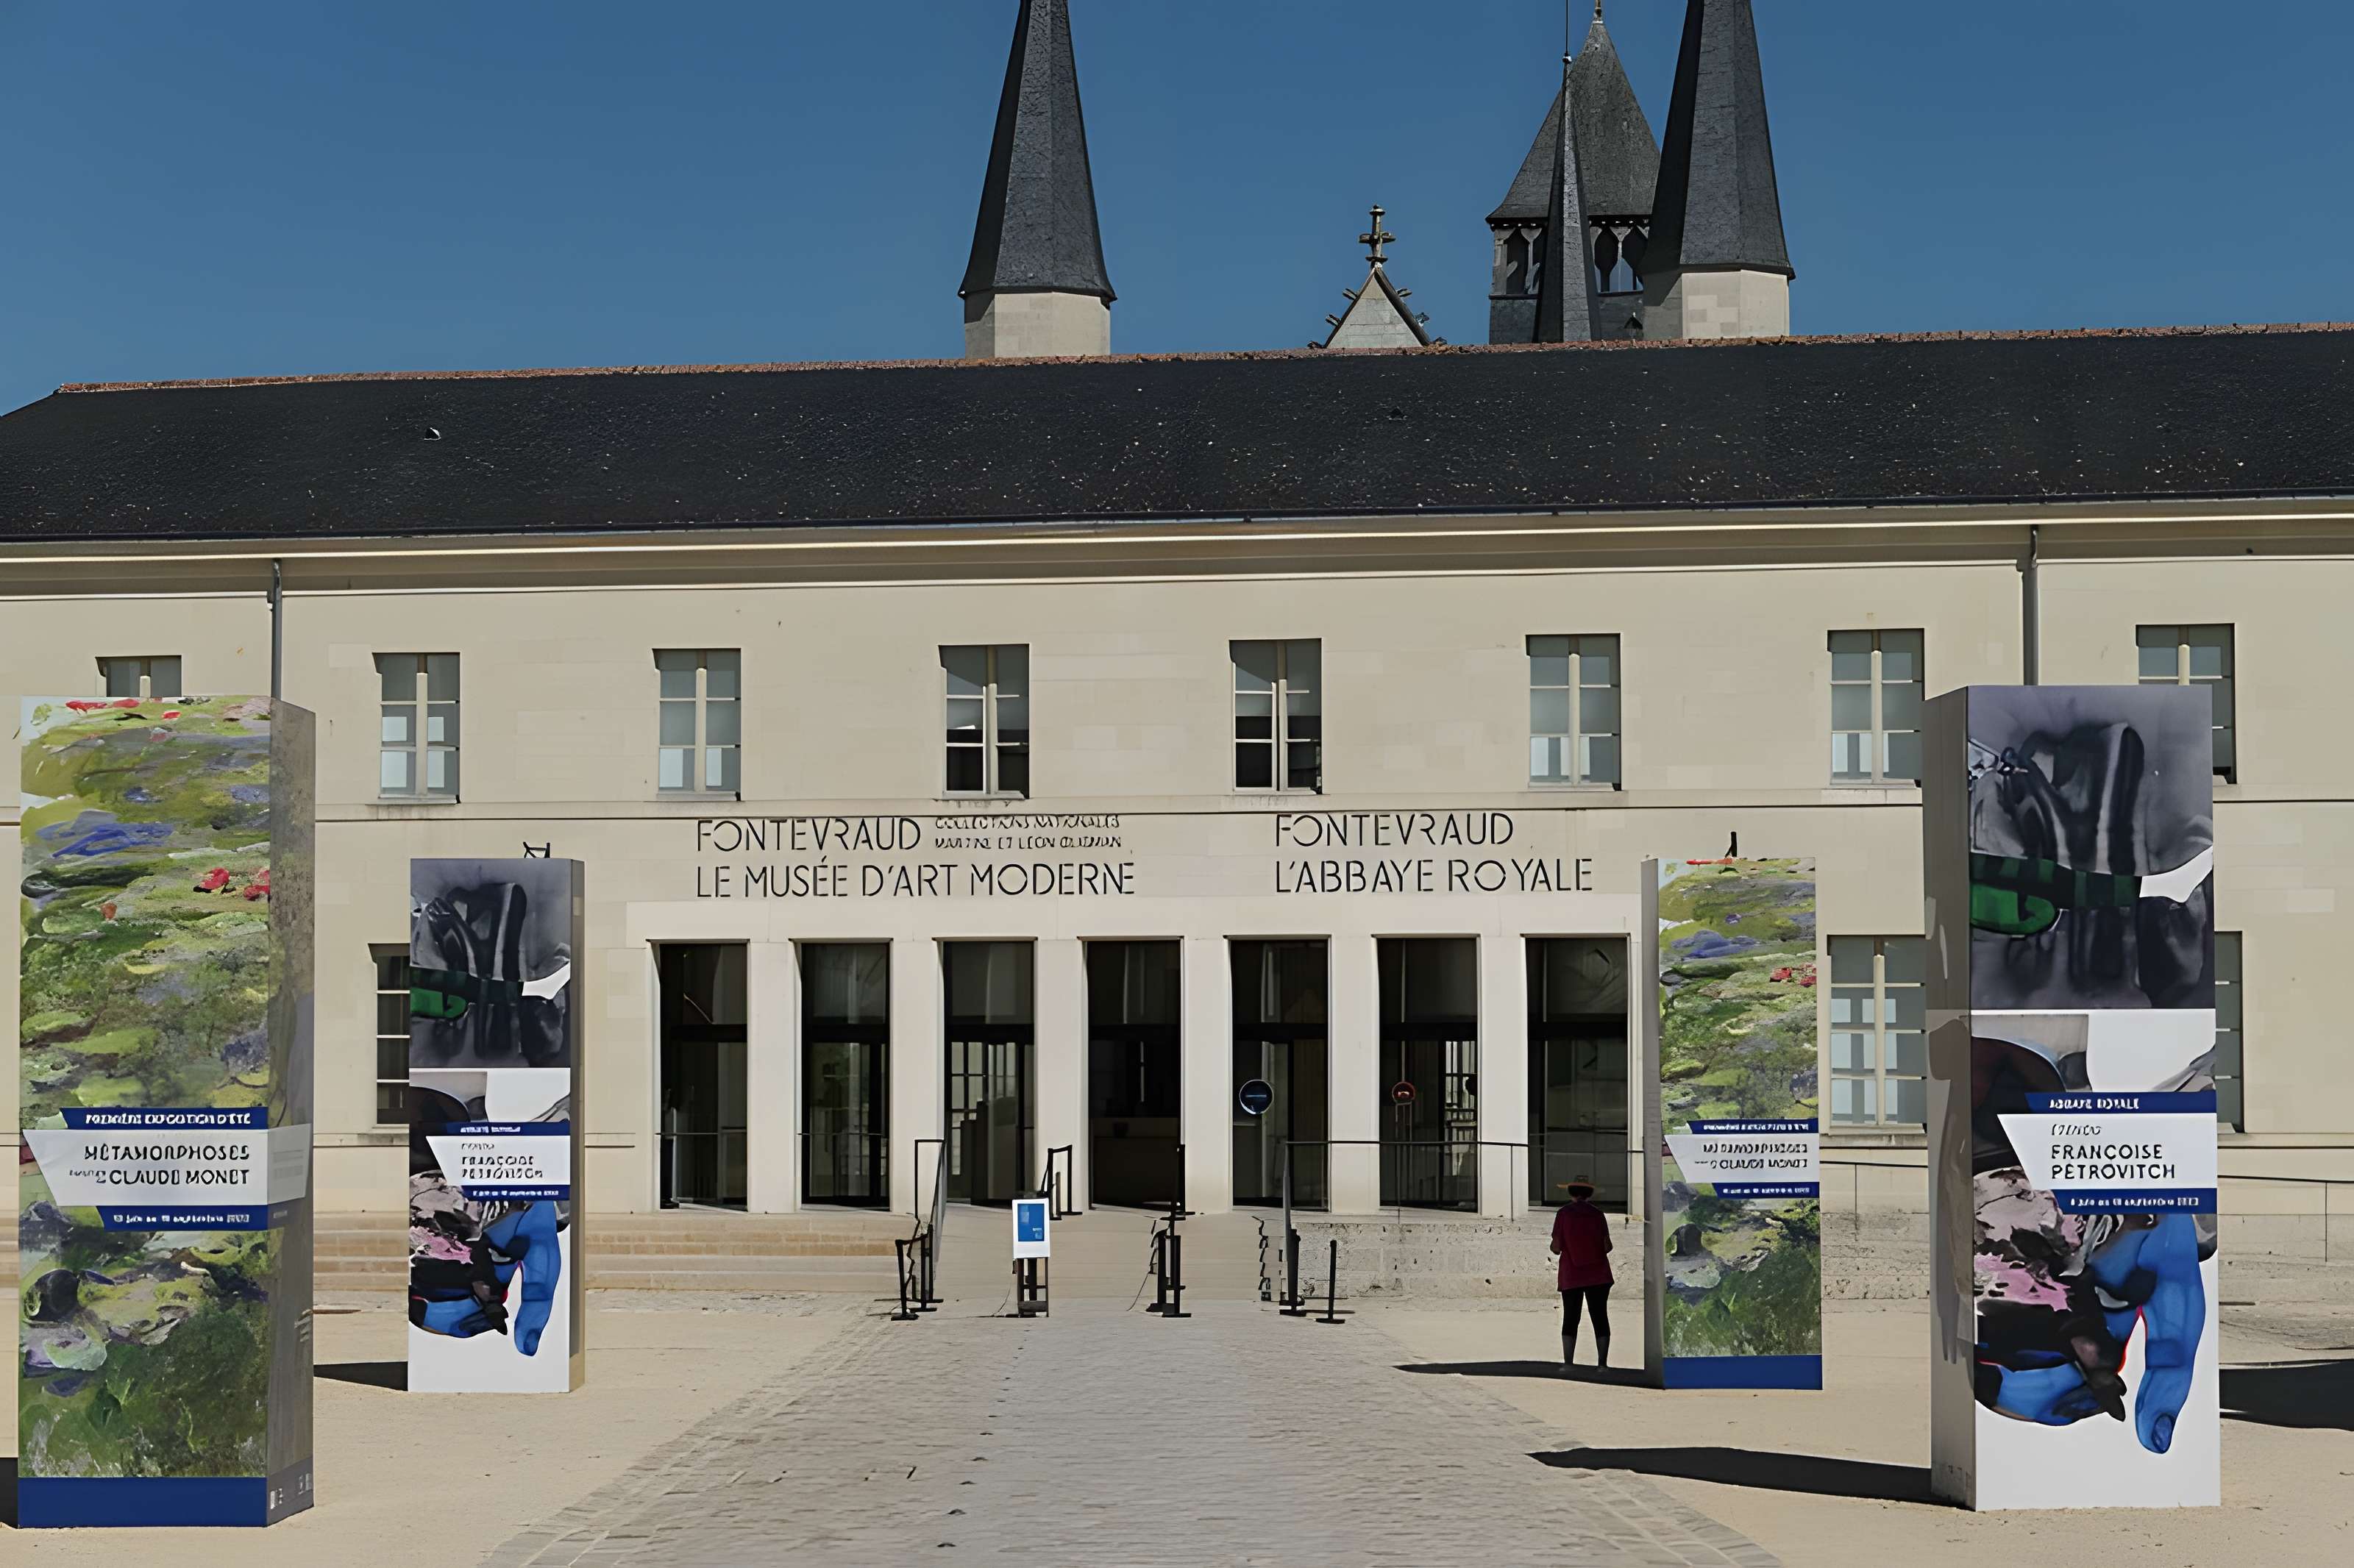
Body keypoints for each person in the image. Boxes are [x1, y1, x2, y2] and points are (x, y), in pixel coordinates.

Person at [1550, 1175, 1614, 1370]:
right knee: (1600, 1317)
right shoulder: (1598, 1214)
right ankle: (1602, 1364)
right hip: (1598, 1274)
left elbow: (1556, 1247)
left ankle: (1568, 1363)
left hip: (1572, 1274)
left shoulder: (1563, 1214)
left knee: (1571, 1317)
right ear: (1589, 1193)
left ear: (1571, 1192)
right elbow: (1607, 1246)